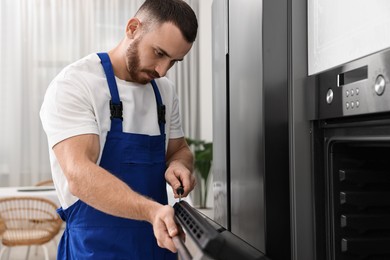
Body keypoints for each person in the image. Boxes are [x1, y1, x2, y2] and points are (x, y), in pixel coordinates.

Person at [40, 0, 197, 259]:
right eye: (159, 53)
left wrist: (179, 164)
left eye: (173, 61)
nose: (162, 70)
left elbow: (179, 150)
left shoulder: (164, 91)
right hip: (95, 250)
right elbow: (79, 175)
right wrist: (150, 211)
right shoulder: (75, 84)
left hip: (157, 248)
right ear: (133, 28)